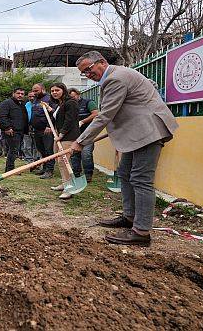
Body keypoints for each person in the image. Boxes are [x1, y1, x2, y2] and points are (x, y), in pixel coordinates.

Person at [71, 50, 178, 246]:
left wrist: (81, 141)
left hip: (148, 132)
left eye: (88, 69)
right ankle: (129, 218)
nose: (87, 75)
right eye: (83, 73)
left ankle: (141, 232)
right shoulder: (119, 74)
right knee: (125, 173)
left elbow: (105, 115)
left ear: (101, 62)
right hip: (138, 134)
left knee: (141, 179)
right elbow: (147, 88)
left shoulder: (116, 78)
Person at [44, 83, 80, 200]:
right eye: (52, 91)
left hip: (67, 136)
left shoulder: (71, 102)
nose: (54, 92)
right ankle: (65, 183)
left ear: (63, 90)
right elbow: (59, 116)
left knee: (64, 162)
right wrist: (49, 109)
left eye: (57, 90)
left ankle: (69, 188)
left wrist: (61, 134)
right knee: (60, 161)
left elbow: (70, 120)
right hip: (59, 136)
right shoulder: (61, 103)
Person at [69, 88, 99, 182]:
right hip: (75, 135)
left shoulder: (88, 102)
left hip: (87, 134)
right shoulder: (70, 105)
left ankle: (88, 175)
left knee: (86, 154)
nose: (72, 99)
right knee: (74, 154)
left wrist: (82, 121)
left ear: (78, 94)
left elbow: (96, 114)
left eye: (73, 97)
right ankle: (76, 174)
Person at [0, 88, 28, 172]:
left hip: (20, 131)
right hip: (11, 131)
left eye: (22, 94)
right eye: (18, 93)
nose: (20, 95)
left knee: (15, 150)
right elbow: (2, 116)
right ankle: (10, 169)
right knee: (13, 150)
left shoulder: (21, 104)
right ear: (13, 94)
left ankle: (10, 168)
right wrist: (7, 127)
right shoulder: (7, 103)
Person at [30, 83, 57, 179]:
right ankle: (44, 168)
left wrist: (49, 126)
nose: (34, 93)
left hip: (47, 130)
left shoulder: (49, 99)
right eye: (33, 91)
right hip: (37, 130)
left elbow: (54, 113)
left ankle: (49, 170)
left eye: (36, 90)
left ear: (43, 89)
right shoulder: (36, 100)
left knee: (48, 150)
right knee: (42, 150)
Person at [22, 91, 38, 163]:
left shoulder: (39, 104)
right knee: (26, 146)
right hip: (27, 127)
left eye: (33, 96)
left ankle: (36, 161)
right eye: (30, 96)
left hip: (37, 127)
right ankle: (29, 160)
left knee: (36, 146)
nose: (31, 98)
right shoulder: (26, 105)